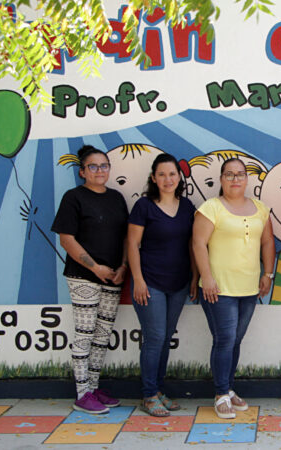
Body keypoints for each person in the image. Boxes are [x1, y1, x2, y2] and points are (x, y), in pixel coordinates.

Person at [192, 158, 276, 419]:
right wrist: (207, 277)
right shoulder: (211, 208)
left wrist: (268, 273)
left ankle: (228, 389)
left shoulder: (261, 208)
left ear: (247, 178)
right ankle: (220, 394)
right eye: (229, 174)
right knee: (225, 340)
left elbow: (268, 243)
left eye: (240, 174)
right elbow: (198, 244)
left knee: (235, 341)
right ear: (221, 179)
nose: (235, 179)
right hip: (218, 288)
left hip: (249, 287)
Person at [51, 145, 128, 414]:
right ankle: (82, 393)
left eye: (104, 166)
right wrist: (96, 268)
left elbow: (126, 236)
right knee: (85, 333)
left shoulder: (117, 198)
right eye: (93, 167)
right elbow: (66, 239)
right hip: (83, 276)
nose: (99, 171)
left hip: (113, 277)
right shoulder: (73, 198)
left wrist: (123, 266)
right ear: (83, 171)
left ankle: (93, 388)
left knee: (102, 333)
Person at [127, 153, 198, 417]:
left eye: (172, 174)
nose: (167, 179)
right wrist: (138, 281)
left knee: (165, 338)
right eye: (162, 174)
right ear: (153, 178)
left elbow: (193, 245)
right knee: (154, 337)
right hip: (150, 283)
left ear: (178, 177)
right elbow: (132, 244)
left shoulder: (188, 206)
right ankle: (148, 395)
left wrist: (194, 277)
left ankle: (158, 391)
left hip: (178, 283)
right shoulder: (144, 206)